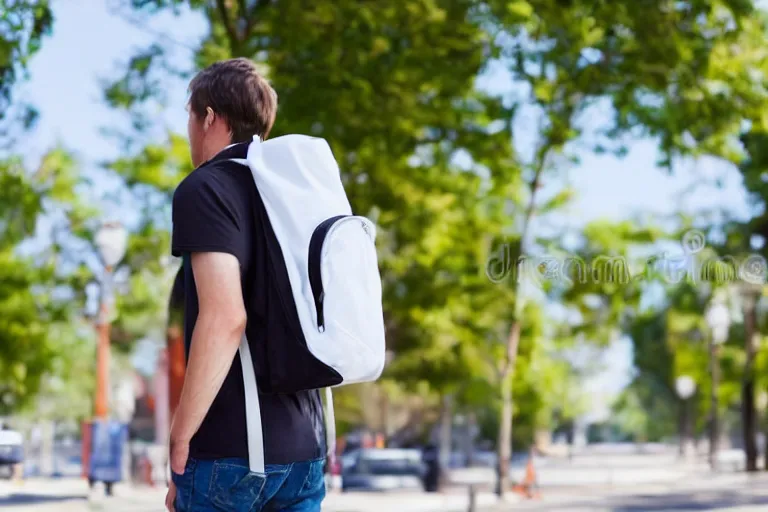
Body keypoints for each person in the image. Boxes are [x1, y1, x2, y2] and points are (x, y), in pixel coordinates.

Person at [165, 58, 327, 512]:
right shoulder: (295, 194)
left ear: (210, 117)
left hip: (231, 455)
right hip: (306, 450)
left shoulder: (205, 188)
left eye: (190, 117)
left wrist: (181, 437)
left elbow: (224, 317)